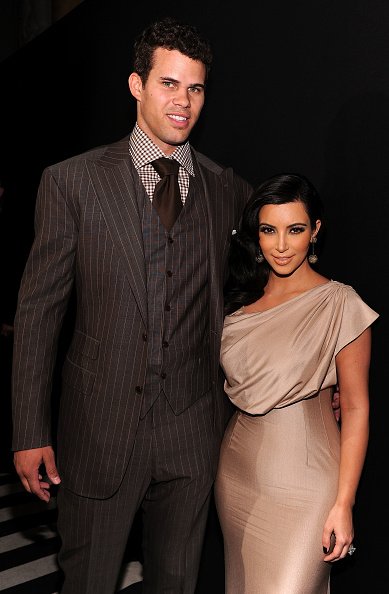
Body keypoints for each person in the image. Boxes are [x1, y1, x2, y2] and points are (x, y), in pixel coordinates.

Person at [11, 16, 253, 594]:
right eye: (169, 84)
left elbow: (254, 301)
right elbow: (39, 313)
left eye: (195, 88)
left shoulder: (229, 192)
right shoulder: (72, 183)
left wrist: (329, 374)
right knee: (89, 582)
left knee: (176, 583)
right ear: (136, 86)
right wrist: (28, 429)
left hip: (192, 436)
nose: (183, 102)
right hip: (99, 432)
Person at [214, 173, 379, 593]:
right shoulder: (238, 305)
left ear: (315, 231)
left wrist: (344, 503)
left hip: (306, 484)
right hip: (236, 476)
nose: (281, 245)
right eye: (269, 230)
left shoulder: (340, 303)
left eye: (295, 229)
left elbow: (357, 407)